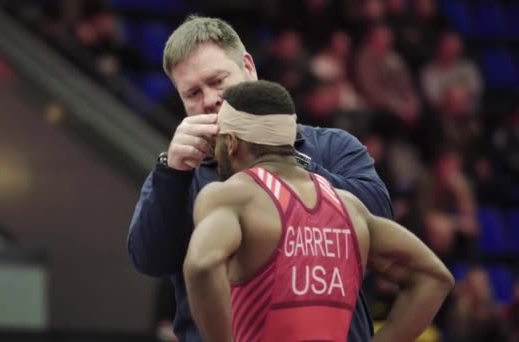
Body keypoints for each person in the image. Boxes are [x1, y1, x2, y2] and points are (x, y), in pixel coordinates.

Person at [127, 15, 393, 342]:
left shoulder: (332, 147)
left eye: (217, 81)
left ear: (248, 68)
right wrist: (171, 174)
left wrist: (277, 156)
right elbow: (150, 260)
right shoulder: (178, 174)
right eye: (193, 93)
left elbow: (379, 222)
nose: (209, 100)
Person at [183, 80, 454, 342]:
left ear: (231, 144)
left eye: (217, 143)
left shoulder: (232, 196)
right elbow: (433, 277)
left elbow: (201, 263)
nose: (214, 155)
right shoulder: (349, 207)